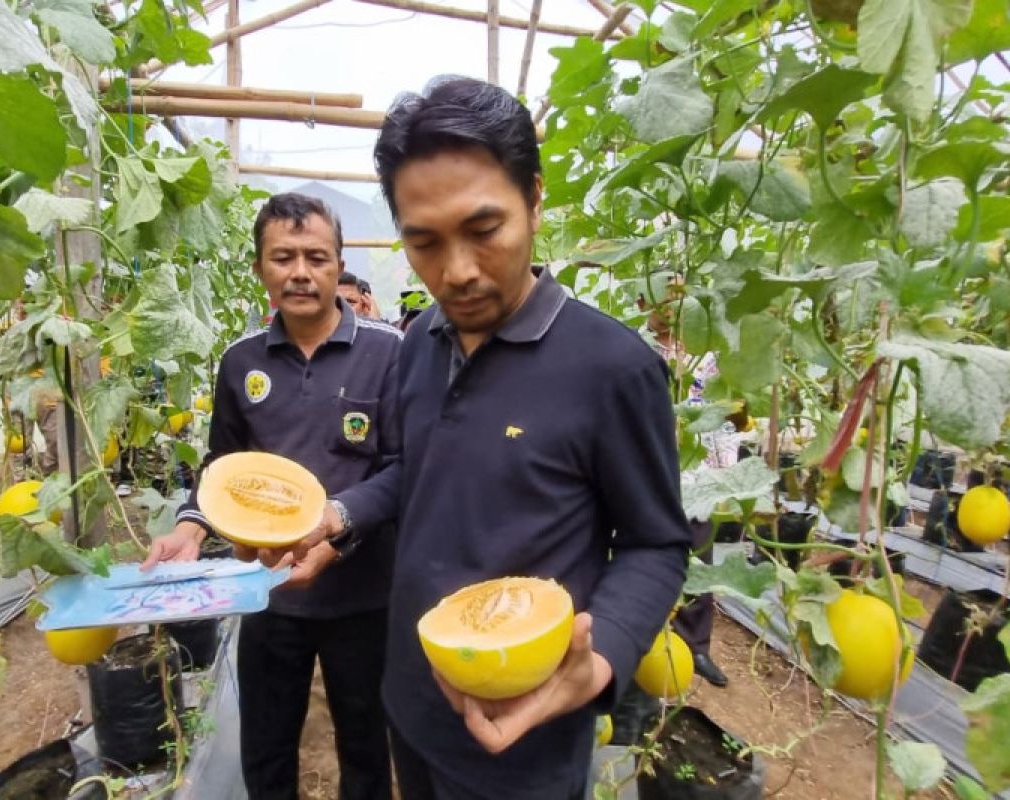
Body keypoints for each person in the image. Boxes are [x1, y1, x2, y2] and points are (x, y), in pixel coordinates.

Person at [274, 77, 694, 799]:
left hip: (525, 734)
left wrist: (599, 665)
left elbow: (657, 543)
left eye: (483, 229)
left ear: (533, 200)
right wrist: (341, 517)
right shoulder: (419, 343)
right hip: (410, 697)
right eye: (424, 243)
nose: (457, 271)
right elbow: (416, 470)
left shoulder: (613, 368)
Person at [143, 193, 401, 800]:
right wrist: (190, 529)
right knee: (266, 749)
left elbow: (406, 466)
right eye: (283, 257)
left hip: (365, 597)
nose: (301, 272)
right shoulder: (239, 363)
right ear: (260, 268)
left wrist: (339, 524)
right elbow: (222, 467)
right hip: (267, 595)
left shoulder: (391, 352)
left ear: (340, 264)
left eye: (317, 256)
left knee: (366, 748)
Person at [639, 289, 748, 689]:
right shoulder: (633, 349)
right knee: (646, 560)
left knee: (699, 566)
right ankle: (645, 642)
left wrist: (728, 476)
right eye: (659, 303)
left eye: (675, 302)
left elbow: (725, 418)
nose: (667, 312)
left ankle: (696, 646)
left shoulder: (707, 358)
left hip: (698, 480)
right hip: (647, 478)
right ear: (642, 306)